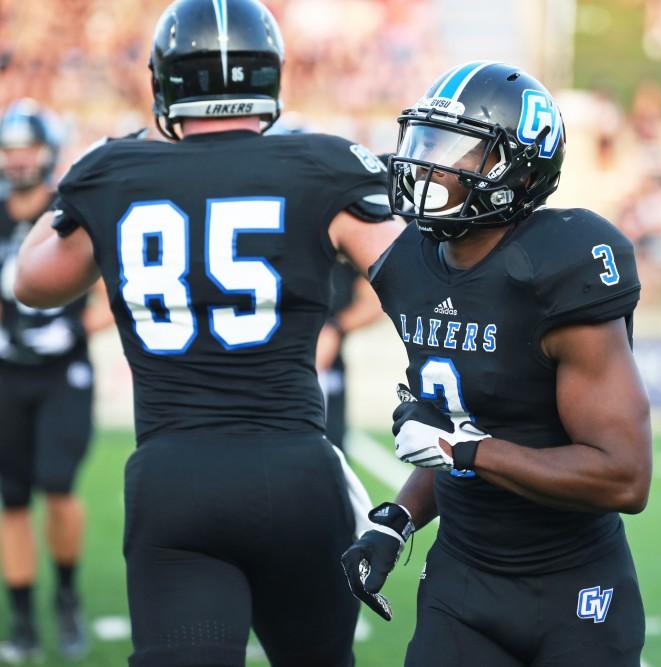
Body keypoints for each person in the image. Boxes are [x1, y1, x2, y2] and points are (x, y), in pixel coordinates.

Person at [12, 1, 402, 665]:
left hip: (176, 477)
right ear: (269, 76)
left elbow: (31, 281)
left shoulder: (113, 171)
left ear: (166, 83)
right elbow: (415, 276)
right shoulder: (323, 165)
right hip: (295, 470)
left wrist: (90, 183)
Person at [340, 62, 652, 667]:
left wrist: (466, 452)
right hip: (462, 581)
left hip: (575, 588)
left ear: (516, 168)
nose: (428, 165)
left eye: (454, 150)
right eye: (425, 143)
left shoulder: (561, 265)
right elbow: (455, 423)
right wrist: (395, 519)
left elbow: (624, 476)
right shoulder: (411, 265)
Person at [0, 99, 113, 662]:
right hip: (6, 375)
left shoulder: (68, 210)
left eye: (28, 147)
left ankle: (65, 596)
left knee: (58, 486)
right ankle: (21, 612)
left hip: (61, 370)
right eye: (10, 148)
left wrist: (69, 330)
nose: (19, 160)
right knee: (12, 498)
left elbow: (114, 293)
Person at [317, 260, 384, 450]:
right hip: (275, 363)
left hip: (326, 369)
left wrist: (335, 328)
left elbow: (374, 302)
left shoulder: (338, 248)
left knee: (329, 447)